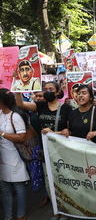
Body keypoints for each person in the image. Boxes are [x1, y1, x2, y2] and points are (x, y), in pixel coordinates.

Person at [15, 81, 72, 220]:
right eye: (45, 89)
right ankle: (56, 209)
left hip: (61, 151)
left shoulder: (66, 108)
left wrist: (57, 132)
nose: (47, 91)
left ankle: (65, 209)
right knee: (50, 181)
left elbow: (69, 131)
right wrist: (16, 86)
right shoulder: (40, 106)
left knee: (62, 180)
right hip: (45, 151)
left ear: (58, 92)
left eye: (51, 89)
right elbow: (20, 104)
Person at [0, 88, 29, 220]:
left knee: (19, 186)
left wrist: (2, 134)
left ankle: (21, 215)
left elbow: (22, 137)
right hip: (2, 157)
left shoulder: (15, 116)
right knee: (4, 188)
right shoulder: (0, 113)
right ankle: (8, 216)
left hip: (15, 156)